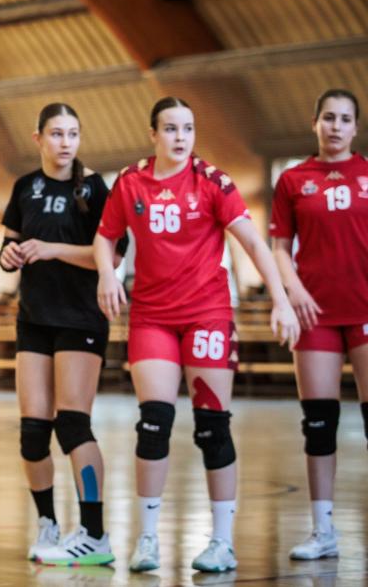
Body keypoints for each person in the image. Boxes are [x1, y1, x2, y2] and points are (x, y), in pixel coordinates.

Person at [93, 96, 300, 574]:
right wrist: (106, 274)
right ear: (153, 134)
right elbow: (105, 236)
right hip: (152, 317)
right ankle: (147, 538)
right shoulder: (130, 181)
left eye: (188, 128)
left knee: (212, 426)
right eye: (170, 128)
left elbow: (253, 243)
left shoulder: (212, 182)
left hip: (207, 314)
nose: (180, 137)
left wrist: (282, 299)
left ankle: (222, 542)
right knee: (153, 423)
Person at [0, 103, 125, 566]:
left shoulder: (94, 188)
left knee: (72, 424)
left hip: (80, 318)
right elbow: (9, 243)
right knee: (33, 432)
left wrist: (52, 249)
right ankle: (48, 524)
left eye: (72, 133)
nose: (65, 142)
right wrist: (8, 256)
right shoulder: (25, 187)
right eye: (56, 133)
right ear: (38, 138)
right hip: (34, 318)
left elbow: (110, 257)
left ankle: (95, 532)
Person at [269, 88, 367, 560]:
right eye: (328, 117)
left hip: (365, 310)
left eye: (345, 119)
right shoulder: (293, 180)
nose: (335, 127)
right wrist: (293, 291)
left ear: (356, 128)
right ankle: (323, 530)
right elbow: (279, 247)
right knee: (319, 424)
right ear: (315, 123)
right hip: (314, 314)